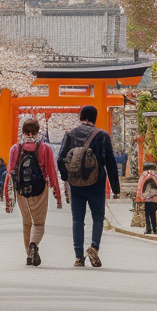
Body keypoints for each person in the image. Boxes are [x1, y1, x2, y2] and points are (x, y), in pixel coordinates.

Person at [58, 105, 121, 267]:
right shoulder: (102, 136)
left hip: (76, 184)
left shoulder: (70, 135)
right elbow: (111, 164)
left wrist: (67, 177)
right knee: (98, 218)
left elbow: (60, 159)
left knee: (77, 220)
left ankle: (79, 257)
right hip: (96, 183)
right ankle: (94, 246)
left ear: (80, 117)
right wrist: (115, 189)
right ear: (95, 118)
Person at [5, 118, 63, 266]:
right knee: (38, 223)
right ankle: (33, 244)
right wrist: (57, 193)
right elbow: (51, 171)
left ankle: (28, 255)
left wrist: (7, 196)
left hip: (21, 190)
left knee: (26, 223)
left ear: (23, 131)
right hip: (40, 189)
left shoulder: (15, 148)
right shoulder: (44, 148)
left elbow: (10, 173)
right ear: (37, 132)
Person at [137, 162, 157, 235]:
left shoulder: (143, 176)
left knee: (147, 215)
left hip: (147, 201)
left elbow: (140, 188)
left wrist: (140, 198)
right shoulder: (156, 176)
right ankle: (154, 230)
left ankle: (148, 230)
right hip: (155, 200)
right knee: (153, 215)